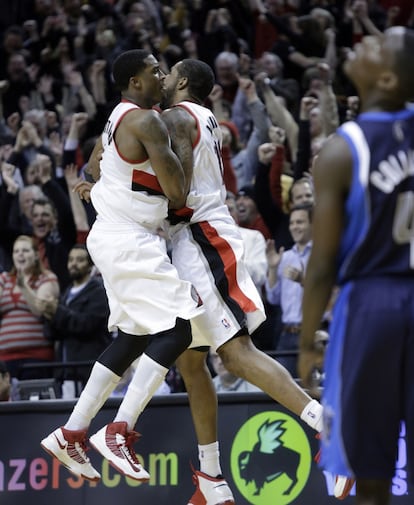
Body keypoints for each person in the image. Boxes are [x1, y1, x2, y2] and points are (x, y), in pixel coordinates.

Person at [159, 58, 353, 505]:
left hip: (201, 238)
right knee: (190, 361)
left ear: (183, 81)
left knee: (235, 351)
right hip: (192, 243)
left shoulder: (181, 116)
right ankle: (210, 478)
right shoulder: (200, 118)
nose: (163, 78)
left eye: (168, 72)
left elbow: (178, 191)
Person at [40, 49, 203, 483]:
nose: (161, 75)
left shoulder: (118, 116)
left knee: (132, 337)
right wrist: (184, 146)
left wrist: (97, 186)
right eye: (154, 71)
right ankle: (118, 430)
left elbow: (95, 160)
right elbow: (178, 194)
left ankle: (72, 432)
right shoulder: (148, 120)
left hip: (117, 235)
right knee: (179, 328)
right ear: (135, 82)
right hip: (130, 241)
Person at [298, 26, 414, 505]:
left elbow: (322, 264)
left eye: (376, 44)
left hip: (371, 304)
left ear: (385, 78)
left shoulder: (342, 152)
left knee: (369, 477)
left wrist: (305, 344)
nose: (363, 42)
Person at [38, 244, 111, 395]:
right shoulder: (65, 294)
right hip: (65, 372)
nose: (73, 264)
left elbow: (86, 324)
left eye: (79, 260)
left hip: (88, 371)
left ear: (90, 265)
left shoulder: (99, 291)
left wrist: (57, 311)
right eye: (71, 260)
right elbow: (52, 335)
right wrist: (48, 315)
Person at [0, 235, 60, 379]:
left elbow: (40, 310)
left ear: (36, 255)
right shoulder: (4, 279)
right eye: (16, 251)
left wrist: (23, 287)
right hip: (5, 358)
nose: (20, 254)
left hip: (37, 357)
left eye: (25, 250)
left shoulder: (46, 278)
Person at [265, 203, 313, 378]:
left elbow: (330, 295)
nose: (294, 226)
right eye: (292, 223)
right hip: (286, 336)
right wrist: (272, 269)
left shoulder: (321, 255)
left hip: (314, 333)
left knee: (317, 389)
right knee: (284, 391)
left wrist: (303, 280)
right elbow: (273, 299)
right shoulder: (284, 257)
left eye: (300, 222)